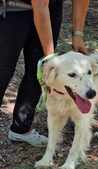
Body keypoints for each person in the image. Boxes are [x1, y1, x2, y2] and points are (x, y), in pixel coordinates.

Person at [0, 0, 89, 146]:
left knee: (39, 70)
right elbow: (40, 4)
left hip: (50, 8)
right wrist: (50, 57)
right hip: (12, 9)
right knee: (2, 70)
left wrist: (77, 34)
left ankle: (20, 128)